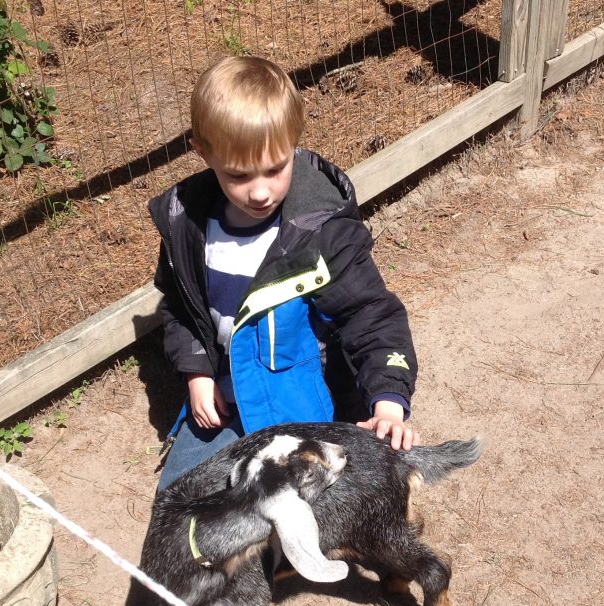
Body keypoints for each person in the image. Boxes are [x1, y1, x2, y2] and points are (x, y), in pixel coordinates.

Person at [149, 55, 419, 493]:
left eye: (275, 168)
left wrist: (388, 402)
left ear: (294, 143)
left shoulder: (320, 232)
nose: (260, 192)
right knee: (180, 512)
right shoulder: (188, 229)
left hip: (305, 406)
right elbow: (179, 307)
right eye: (238, 175)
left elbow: (371, 316)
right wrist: (197, 373)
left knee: (315, 517)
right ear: (204, 153)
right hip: (228, 403)